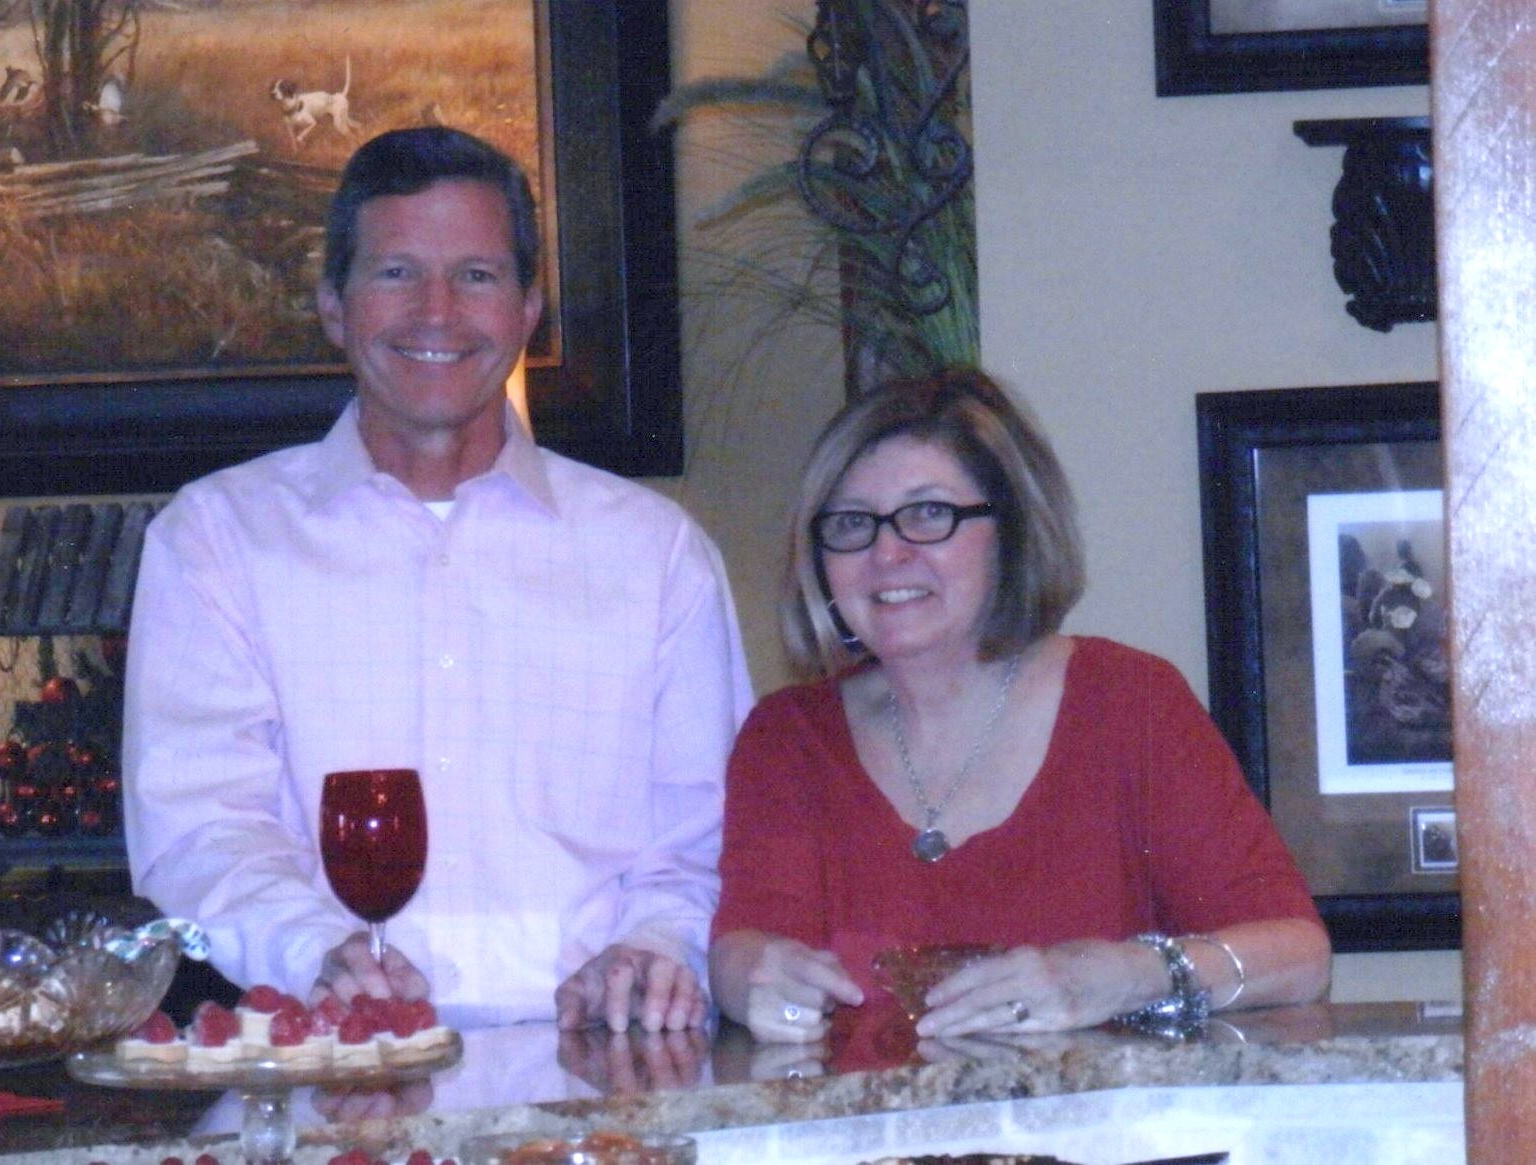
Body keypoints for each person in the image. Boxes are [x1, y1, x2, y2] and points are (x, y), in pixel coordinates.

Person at [123, 127, 751, 1032]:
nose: (437, 312)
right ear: (333, 306)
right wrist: (320, 952)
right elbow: (200, 824)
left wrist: (651, 948)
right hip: (332, 1061)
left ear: (529, 309)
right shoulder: (217, 541)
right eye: (396, 273)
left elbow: (706, 833)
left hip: (606, 1068)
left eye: (477, 276)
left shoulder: (655, 554)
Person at [710, 368, 1330, 1044]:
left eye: (929, 514)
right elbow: (743, 949)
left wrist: (1126, 974)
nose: (887, 553)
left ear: (1011, 530)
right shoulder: (788, 737)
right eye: (853, 523)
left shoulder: (1130, 703)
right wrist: (755, 978)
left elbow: (1300, 958)